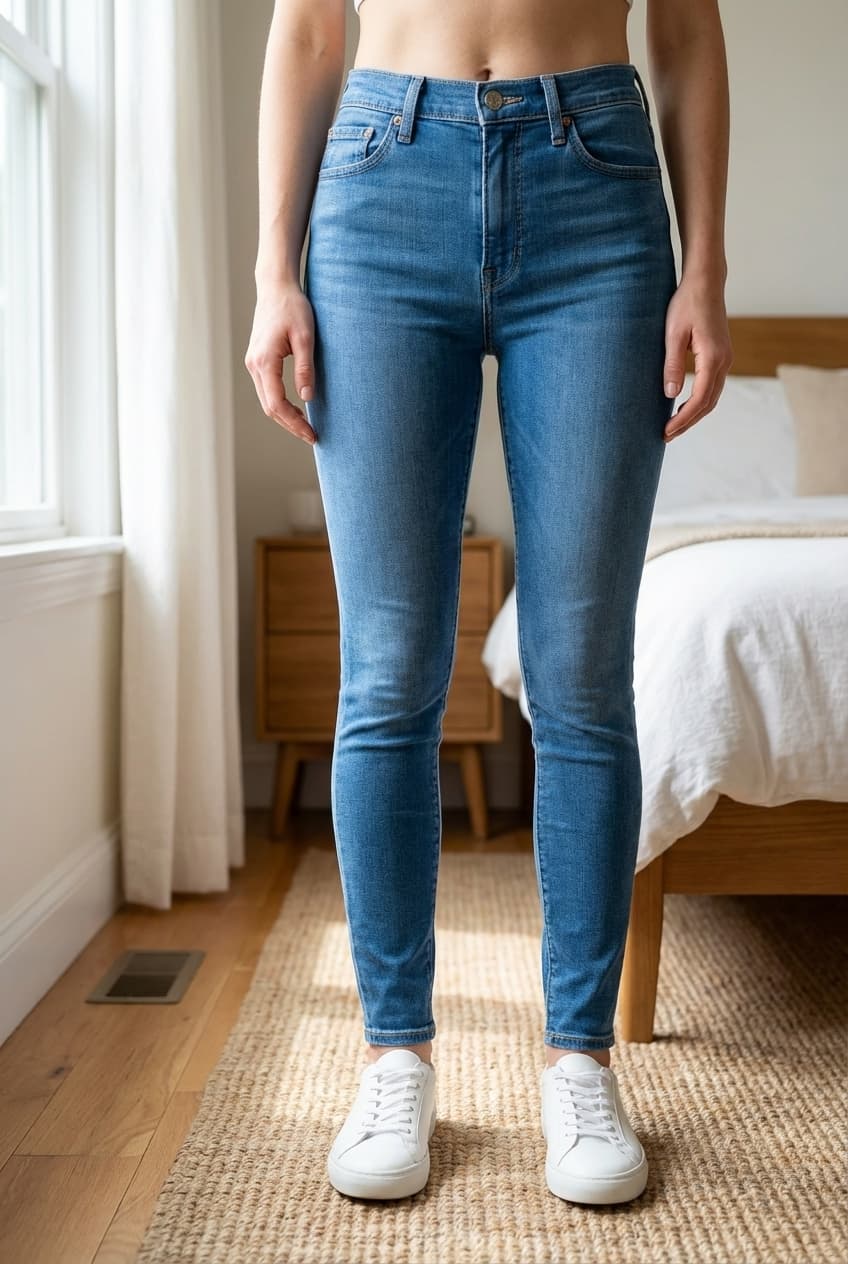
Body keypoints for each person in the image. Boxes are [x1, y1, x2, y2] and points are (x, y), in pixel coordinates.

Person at [245, 0, 732, 1208]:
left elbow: (681, 27)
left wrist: (707, 271)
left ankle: (578, 1060)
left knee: (578, 672)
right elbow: (308, 28)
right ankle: (394, 1054)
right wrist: (271, 271)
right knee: (388, 672)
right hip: (377, 181)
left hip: (597, 184)